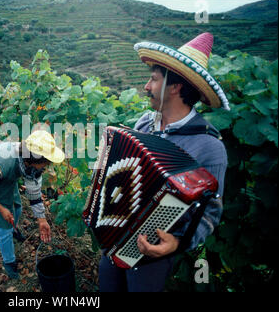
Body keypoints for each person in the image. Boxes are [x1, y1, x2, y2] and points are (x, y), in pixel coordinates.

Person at [98, 33, 230, 292]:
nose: (146, 86)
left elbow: (211, 213)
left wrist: (178, 244)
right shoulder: (145, 123)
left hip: (153, 254)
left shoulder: (210, 148)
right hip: (119, 232)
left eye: (154, 79)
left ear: (175, 86)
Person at [0, 130, 65, 279]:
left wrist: (41, 219)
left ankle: (13, 230)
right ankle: (9, 261)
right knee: (4, 225)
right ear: (31, 160)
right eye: (44, 163)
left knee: (17, 207)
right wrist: (1, 209)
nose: (45, 166)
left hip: (5, 178)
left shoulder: (30, 166)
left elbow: (33, 193)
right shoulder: (1, 163)